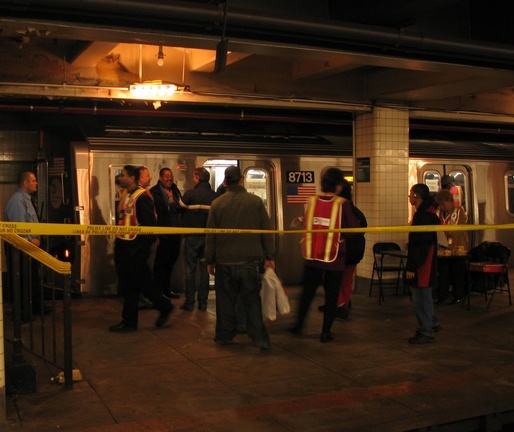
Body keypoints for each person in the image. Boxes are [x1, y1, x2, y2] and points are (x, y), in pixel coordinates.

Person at [205, 165, 275, 350]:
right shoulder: (255, 202)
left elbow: (210, 234)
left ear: (225, 181)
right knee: (251, 301)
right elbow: (266, 231)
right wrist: (269, 255)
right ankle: (259, 338)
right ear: (242, 180)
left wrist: (209, 259)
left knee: (225, 301)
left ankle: (224, 335)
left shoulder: (217, 204)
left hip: (224, 261)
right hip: (250, 262)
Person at [289, 168, 360, 343]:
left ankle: (298, 325)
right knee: (331, 295)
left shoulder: (311, 201)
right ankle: (325, 332)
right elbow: (353, 229)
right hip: (334, 258)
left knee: (307, 292)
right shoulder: (342, 204)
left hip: (312, 255)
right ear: (338, 185)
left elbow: (306, 223)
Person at [109, 165, 173, 332]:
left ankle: (158, 308)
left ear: (132, 178)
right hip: (124, 247)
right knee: (133, 285)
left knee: (139, 285)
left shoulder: (142, 197)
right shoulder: (124, 194)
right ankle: (132, 320)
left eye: (123, 175)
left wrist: (140, 250)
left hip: (135, 250)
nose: (120, 178)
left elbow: (149, 227)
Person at [317, 178, 366, 319]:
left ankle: (340, 306)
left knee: (334, 280)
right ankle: (341, 303)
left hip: (342, 252)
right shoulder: (356, 210)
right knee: (345, 281)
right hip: (355, 252)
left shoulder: (340, 209)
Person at [4, 170, 47, 316]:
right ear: (26, 183)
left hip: (30, 247)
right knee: (23, 279)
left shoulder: (26, 199)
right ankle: (23, 312)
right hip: (21, 248)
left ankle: (33, 307)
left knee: (31, 278)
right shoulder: (18, 200)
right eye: (34, 180)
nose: (36, 183)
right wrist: (31, 240)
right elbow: (19, 228)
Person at [405, 183, 441, 345]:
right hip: (428, 261)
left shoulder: (422, 217)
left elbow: (418, 245)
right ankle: (432, 323)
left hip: (422, 265)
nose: (409, 197)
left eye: (411, 194)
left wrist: (412, 267)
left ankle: (426, 330)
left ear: (417, 196)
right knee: (425, 297)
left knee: (420, 298)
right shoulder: (430, 212)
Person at [179, 167, 218, 311]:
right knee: (205, 271)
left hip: (191, 237)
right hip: (207, 239)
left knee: (190, 270)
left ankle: (189, 302)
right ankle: (203, 302)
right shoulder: (214, 196)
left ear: (197, 178)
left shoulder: (190, 194)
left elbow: (178, 208)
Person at [149, 167, 183, 299]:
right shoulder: (154, 192)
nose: (169, 178)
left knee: (171, 262)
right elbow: (154, 214)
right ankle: (157, 292)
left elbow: (180, 207)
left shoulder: (175, 190)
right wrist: (156, 234)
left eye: (171, 176)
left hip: (176, 233)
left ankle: (166, 289)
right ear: (160, 178)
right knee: (161, 264)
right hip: (163, 234)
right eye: (166, 176)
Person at [434, 188, 470, 304]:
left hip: (458, 248)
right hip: (443, 248)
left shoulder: (459, 211)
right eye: (440, 205)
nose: (442, 207)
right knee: (443, 273)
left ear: (450, 201)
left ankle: (458, 295)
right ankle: (442, 295)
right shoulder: (438, 212)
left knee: (457, 272)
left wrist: (448, 234)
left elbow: (459, 229)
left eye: (444, 204)